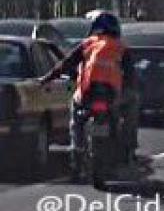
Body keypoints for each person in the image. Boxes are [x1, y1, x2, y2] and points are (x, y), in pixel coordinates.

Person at [39, 11, 136, 172]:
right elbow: (131, 75)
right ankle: (127, 148)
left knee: (76, 119)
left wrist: (46, 79)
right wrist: (131, 89)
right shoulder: (121, 48)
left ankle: (77, 150)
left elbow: (66, 64)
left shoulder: (87, 44)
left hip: (86, 94)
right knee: (130, 109)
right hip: (111, 95)